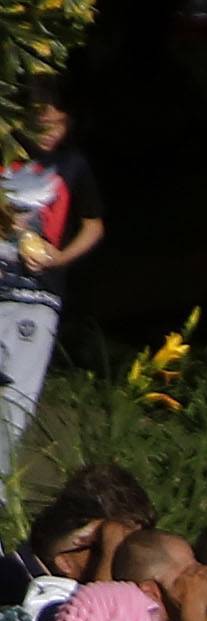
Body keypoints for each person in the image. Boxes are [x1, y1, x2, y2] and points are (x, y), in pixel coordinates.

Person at [0, 91, 102, 466]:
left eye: (56, 124)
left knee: (18, 391)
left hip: (38, 296)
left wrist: (60, 257)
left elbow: (94, 225)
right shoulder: (5, 155)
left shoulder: (72, 165)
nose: (47, 133)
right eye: (40, 123)